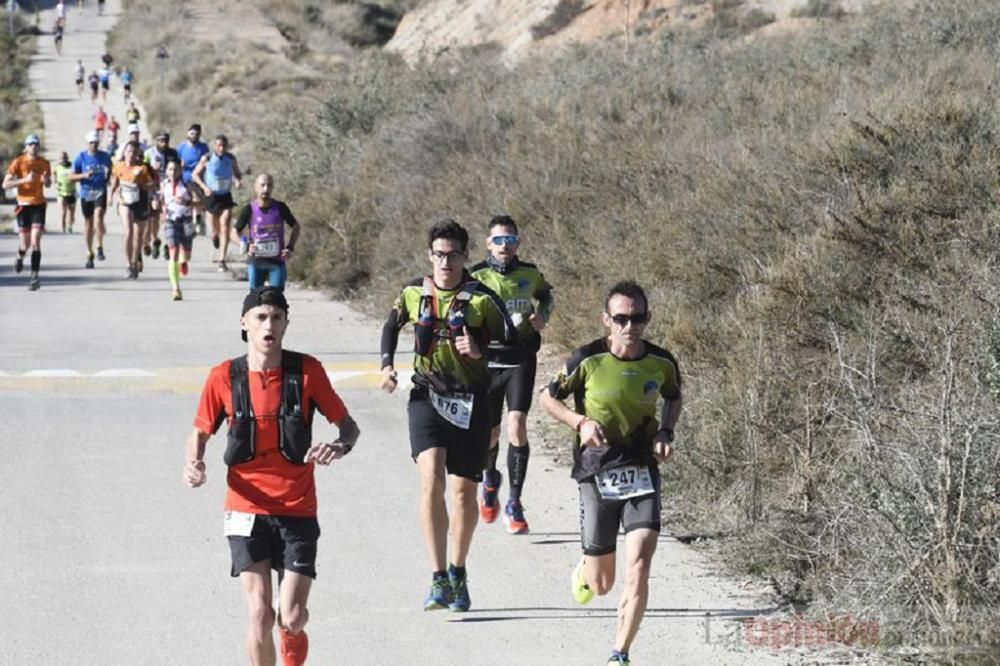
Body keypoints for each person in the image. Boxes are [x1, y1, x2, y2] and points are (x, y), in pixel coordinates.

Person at [184, 287, 360, 666]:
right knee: (260, 613)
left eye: (277, 317)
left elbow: (349, 427)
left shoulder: (307, 371)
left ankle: (292, 640)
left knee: (291, 617)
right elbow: (199, 432)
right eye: (261, 317)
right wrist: (194, 463)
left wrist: (338, 447)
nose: (269, 325)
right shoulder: (223, 377)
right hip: (245, 508)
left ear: (286, 324)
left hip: (297, 508)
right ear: (244, 324)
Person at [539, 281, 683, 666]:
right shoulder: (586, 359)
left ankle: (620, 653)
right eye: (621, 318)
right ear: (607, 319)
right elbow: (547, 397)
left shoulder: (661, 362)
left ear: (647, 318)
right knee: (602, 584)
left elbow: (673, 395)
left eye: (637, 317)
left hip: (641, 469)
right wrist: (580, 422)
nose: (629, 325)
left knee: (639, 564)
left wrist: (666, 431)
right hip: (597, 468)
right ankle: (586, 568)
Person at [379, 219, 519, 612]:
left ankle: (458, 571)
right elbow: (391, 327)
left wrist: (480, 351)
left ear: (464, 256)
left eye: (453, 254)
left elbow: (512, 348)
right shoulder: (413, 292)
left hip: (472, 401)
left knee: (462, 493)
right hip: (427, 395)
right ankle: (438, 577)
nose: (446, 262)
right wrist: (386, 365)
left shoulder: (482, 299)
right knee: (431, 478)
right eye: (439, 254)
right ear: (430, 255)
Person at [469, 215, 554, 535]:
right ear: (488, 243)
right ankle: (490, 481)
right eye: (499, 240)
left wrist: (542, 315)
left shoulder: (530, 273)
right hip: (487, 361)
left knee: (517, 425)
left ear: (518, 243)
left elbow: (546, 294)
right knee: (489, 434)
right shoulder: (476, 275)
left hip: (520, 358)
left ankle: (515, 503)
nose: (505, 246)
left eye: (511, 240)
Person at [233, 174, 299, 290]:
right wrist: (246, 246)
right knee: (255, 298)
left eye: (269, 186)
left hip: (276, 261)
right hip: (256, 261)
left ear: (272, 188)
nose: (266, 189)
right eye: (262, 185)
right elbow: (233, 233)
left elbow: (296, 226)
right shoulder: (249, 209)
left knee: (277, 299)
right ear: (255, 187)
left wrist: (290, 247)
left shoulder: (280, 207)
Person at [3, 135, 52, 291]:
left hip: (39, 205)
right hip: (23, 205)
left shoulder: (44, 163)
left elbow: (49, 183)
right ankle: (19, 257)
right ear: (26, 147)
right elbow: (5, 184)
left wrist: (47, 180)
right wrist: (24, 180)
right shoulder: (18, 162)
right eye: (31, 144)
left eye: (36, 144)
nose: (34, 147)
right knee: (25, 243)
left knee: (35, 240)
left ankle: (34, 276)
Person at [192, 134, 242, 271]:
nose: (221, 148)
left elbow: (237, 173)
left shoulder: (231, 158)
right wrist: (204, 187)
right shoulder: (207, 158)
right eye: (219, 145)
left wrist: (237, 180)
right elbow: (195, 174)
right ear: (215, 146)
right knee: (215, 231)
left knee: (225, 225)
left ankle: (222, 259)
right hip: (211, 196)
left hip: (225, 195)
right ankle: (215, 237)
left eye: (224, 145)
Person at [109, 140, 157, 278]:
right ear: (124, 152)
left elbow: (152, 185)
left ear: (138, 155)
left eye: (134, 152)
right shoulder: (119, 166)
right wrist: (110, 197)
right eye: (129, 151)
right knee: (128, 232)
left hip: (140, 202)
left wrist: (144, 187)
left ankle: (135, 262)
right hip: (125, 203)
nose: (131, 154)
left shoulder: (143, 169)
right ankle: (128, 264)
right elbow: (115, 182)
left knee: (138, 237)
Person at [71, 131, 113, 269]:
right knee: (88, 224)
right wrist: (84, 175)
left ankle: (99, 246)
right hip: (86, 193)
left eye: (96, 143)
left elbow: (111, 171)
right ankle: (89, 252)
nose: (94, 145)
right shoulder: (81, 157)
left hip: (100, 191)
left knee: (98, 217)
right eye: (91, 143)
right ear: (87, 143)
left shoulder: (105, 157)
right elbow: (71, 177)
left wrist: (108, 178)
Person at [161, 159, 195, 300]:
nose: (173, 172)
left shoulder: (187, 185)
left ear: (180, 171)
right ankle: (176, 289)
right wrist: (157, 204)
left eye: (175, 169)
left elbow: (200, 201)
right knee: (173, 252)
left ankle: (183, 260)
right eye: (170, 169)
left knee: (187, 254)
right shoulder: (164, 184)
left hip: (186, 220)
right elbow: (160, 200)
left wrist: (186, 202)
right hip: (170, 221)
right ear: (166, 171)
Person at [144, 130, 179, 260]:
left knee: (166, 218)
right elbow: (142, 169)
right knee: (154, 219)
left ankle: (167, 244)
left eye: (165, 141)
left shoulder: (173, 153)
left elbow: (178, 169)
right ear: (156, 141)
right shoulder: (148, 153)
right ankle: (155, 240)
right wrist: (151, 168)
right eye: (160, 140)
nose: (163, 143)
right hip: (154, 189)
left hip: (169, 189)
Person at [176, 123, 209, 233]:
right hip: (183, 179)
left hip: (197, 179)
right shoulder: (181, 147)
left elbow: (206, 162)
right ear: (188, 133)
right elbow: (175, 162)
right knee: (187, 202)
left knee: (196, 200)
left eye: (197, 134)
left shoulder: (203, 147)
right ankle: (192, 222)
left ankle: (197, 220)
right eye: (192, 133)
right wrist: (179, 164)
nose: (194, 136)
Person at [54, 152, 76, 234]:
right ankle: (62, 230)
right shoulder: (57, 167)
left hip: (72, 192)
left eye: (64, 157)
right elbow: (54, 176)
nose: (63, 159)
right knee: (63, 212)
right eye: (61, 158)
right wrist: (55, 183)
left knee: (71, 213)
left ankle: (69, 227)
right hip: (61, 193)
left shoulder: (72, 166)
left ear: (67, 158)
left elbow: (76, 175)